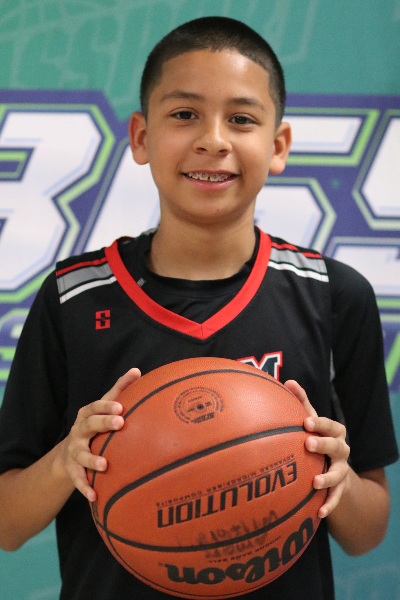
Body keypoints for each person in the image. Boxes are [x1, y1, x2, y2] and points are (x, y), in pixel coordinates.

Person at [0, 16, 398, 600]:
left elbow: (368, 533)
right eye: (185, 114)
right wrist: (66, 461)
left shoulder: (334, 296)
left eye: (241, 119)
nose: (213, 139)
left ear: (278, 146)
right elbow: (7, 524)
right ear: (141, 137)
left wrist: (336, 478)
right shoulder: (74, 298)